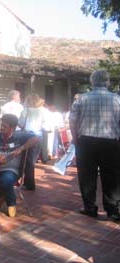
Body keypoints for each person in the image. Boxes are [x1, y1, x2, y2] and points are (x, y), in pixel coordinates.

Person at [69, 70, 120, 221]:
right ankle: (113, 210)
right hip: (110, 142)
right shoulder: (117, 99)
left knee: (87, 176)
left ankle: (90, 208)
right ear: (107, 81)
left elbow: (72, 121)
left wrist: (75, 138)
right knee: (112, 176)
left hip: (86, 141)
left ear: (92, 82)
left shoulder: (81, 99)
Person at [0, 114, 39, 217]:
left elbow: (36, 139)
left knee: (5, 181)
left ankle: (11, 202)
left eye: (5, 126)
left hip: (12, 170)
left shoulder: (19, 136)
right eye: (1, 125)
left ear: (13, 128)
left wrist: (21, 148)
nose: (1, 128)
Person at [18, 93, 47, 190]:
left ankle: (28, 183)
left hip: (28, 136)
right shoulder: (41, 112)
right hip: (38, 137)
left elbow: (21, 124)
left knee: (26, 161)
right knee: (32, 161)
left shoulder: (25, 111)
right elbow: (45, 125)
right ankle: (28, 182)